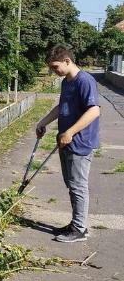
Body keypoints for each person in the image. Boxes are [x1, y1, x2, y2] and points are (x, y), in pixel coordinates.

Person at [35, 44, 101, 243]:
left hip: (80, 142)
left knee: (78, 186)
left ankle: (80, 229)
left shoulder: (85, 81)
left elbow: (94, 111)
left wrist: (70, 132)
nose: (54, 71)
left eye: (55, 67)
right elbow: (61, 106)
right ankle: (77, 223)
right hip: (66, 141)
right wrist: (43, 122)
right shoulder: (66, 82)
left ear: (67, 61)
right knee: (72, 185)